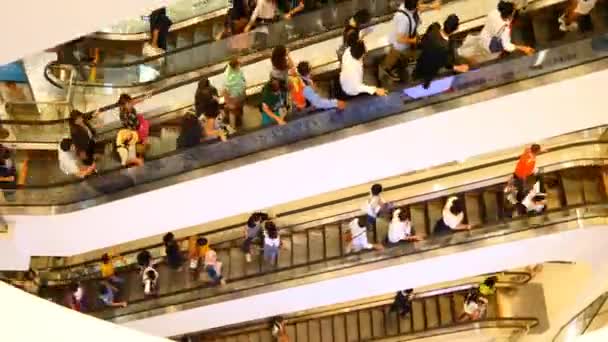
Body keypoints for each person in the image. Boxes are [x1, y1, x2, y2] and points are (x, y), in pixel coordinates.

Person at [381, 0, 441, 80]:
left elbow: (419, 8)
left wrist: (431, 6)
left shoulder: (409, 7)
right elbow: (400, 39)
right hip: (401, 42)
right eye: (418, 2)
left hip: (410, 33)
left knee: (411, 51)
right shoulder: (403, 20)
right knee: (394, 55)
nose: (420, 3)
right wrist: (413, 40)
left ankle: (408, 58)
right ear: (415, 6)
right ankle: (387, 69)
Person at [458, 1, 534, 64]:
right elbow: (506, 45)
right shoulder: (503, 28)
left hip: (484, 39)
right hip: (489, 46)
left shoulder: (494, 12)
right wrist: (524, 48)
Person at [413, 15, 469, 89]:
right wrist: (456, 67)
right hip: (430, 70)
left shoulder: (433, 28)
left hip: (421, 62)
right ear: (456, 29)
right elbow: (444, 62)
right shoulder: (446, 47)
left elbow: (423, 42)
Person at [223, 57, 247, 128]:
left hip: (231, 96)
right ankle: (236, 122)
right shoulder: (237, 75)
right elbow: (243, 84)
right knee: (236, 110)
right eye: (238, 65)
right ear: (236, 66)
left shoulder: (227, 73)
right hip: (237, 96)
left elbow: (225, 88)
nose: (239, 66)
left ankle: (233, 123)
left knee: (233, 110)